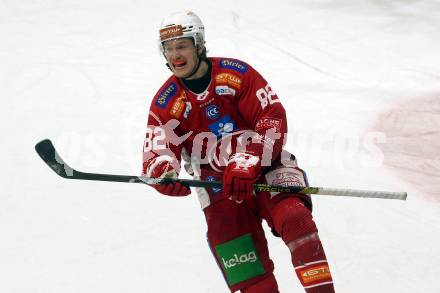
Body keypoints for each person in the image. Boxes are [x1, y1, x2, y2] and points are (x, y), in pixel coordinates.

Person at [142, 10, 335, 293]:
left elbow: (272, 117)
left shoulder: (235, 73)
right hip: (218, 187)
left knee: (296, 220)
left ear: (198, 44)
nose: (175, 55)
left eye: (182, 46)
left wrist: (249, 158)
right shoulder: (165, 102)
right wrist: (162, 173)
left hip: (268, 168)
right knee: (247, 272)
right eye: (168, 49)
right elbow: (155, 150)